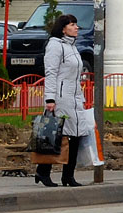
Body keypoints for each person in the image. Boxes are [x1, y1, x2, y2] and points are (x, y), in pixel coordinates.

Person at [37, 14, 88, 187]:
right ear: (63, 28)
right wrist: (50, 98)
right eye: (73, 25)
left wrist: (81, 98)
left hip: (74, 98)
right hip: (61, 98)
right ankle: (44, 171)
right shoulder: (55, 45)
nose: (76, 27)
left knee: (76, 135)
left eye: (76, 24)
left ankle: (67, 176)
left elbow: (74, 77)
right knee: (57, 135)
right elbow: (51, 73)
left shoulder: (72, 46)